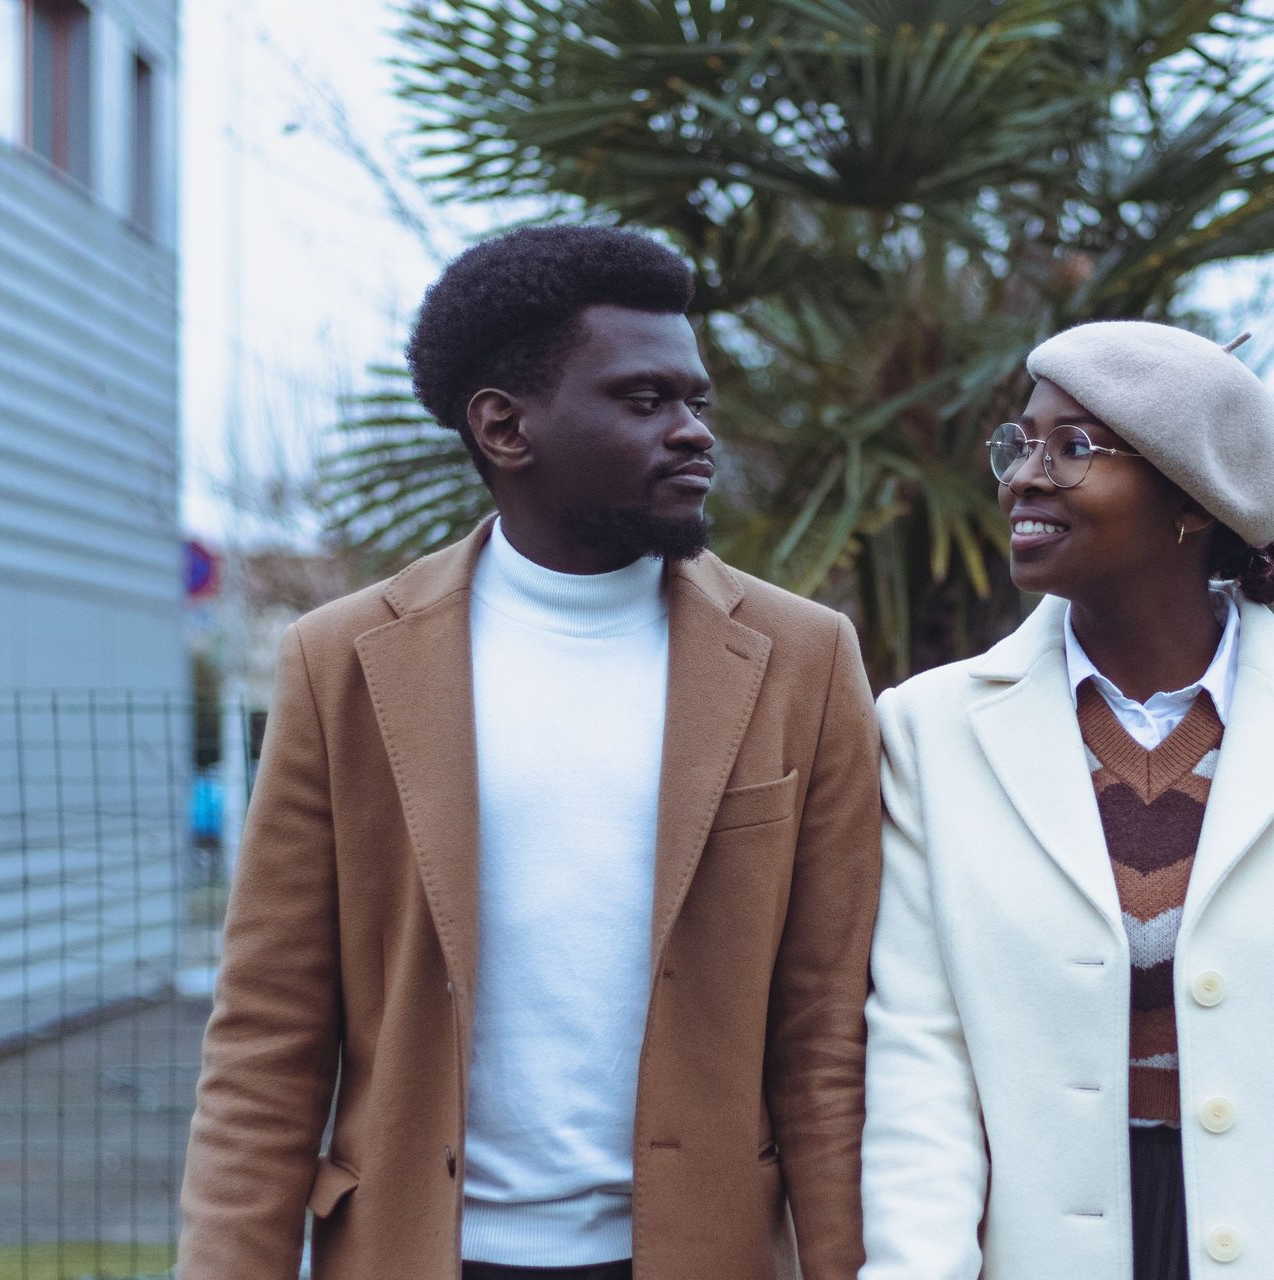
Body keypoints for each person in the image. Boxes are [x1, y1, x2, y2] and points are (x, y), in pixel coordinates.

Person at [178, 226, 881, 1280]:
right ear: (505, 427)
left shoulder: (802, 658)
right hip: (421, 1251)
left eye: (697, 401)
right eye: (646, 401)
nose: (693, 433)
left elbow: (830, 1036)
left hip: (704, 1251)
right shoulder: (343, 663)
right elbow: (268, 1034)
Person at [859, 321, 1274, 1280]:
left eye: (1074, 449)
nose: (1025, 476)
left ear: (1192, 501)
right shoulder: (928, 733)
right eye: (1020, 442)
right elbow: (920, 1074)